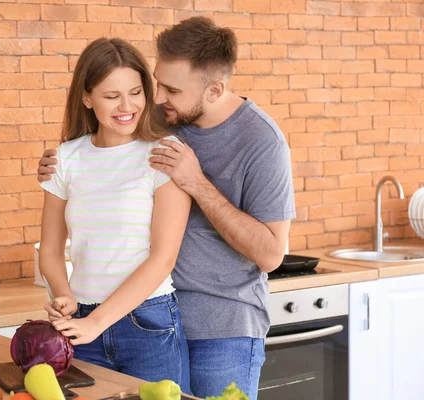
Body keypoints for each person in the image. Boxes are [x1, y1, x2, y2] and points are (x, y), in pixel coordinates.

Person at [38, 17, 296, 399]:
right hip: (149, 316)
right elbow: (105, 138)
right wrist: (57, 165)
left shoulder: (262, 141)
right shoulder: (161, 115)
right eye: (157, 83)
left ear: (215, 90)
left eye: (170, 89)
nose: (157, 98)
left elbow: (272, 253)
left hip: (220, 328)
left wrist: (196, 182)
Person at [38, 37, 192, 393]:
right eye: (111, 96)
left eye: (136, 92)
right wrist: (65, 296)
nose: (127, 106)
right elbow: (50, 251)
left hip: (149, 325)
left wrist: (97, 321)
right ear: (87, 98)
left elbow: (163, 258)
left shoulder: (165, 153)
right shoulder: (65, 158)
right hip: (81, 326)